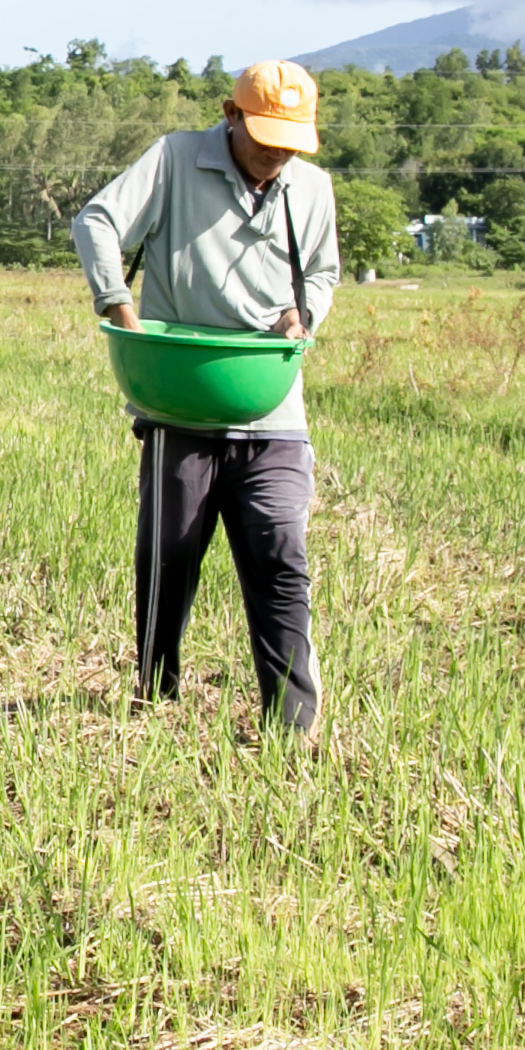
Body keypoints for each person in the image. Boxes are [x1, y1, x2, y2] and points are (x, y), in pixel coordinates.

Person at [70, 59, 341, 732]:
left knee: (280, 551)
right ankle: (153, 698)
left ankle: (292, 728)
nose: (274, 155)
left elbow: (325, 272)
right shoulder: (172, 160)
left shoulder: (309, 189)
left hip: (269, 401)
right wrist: (115, 302)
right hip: (178, 399)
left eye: (288, 143)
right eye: (263, 138)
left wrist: (301, 316)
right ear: (229, 114)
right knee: (170, 557)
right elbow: (96, 221)